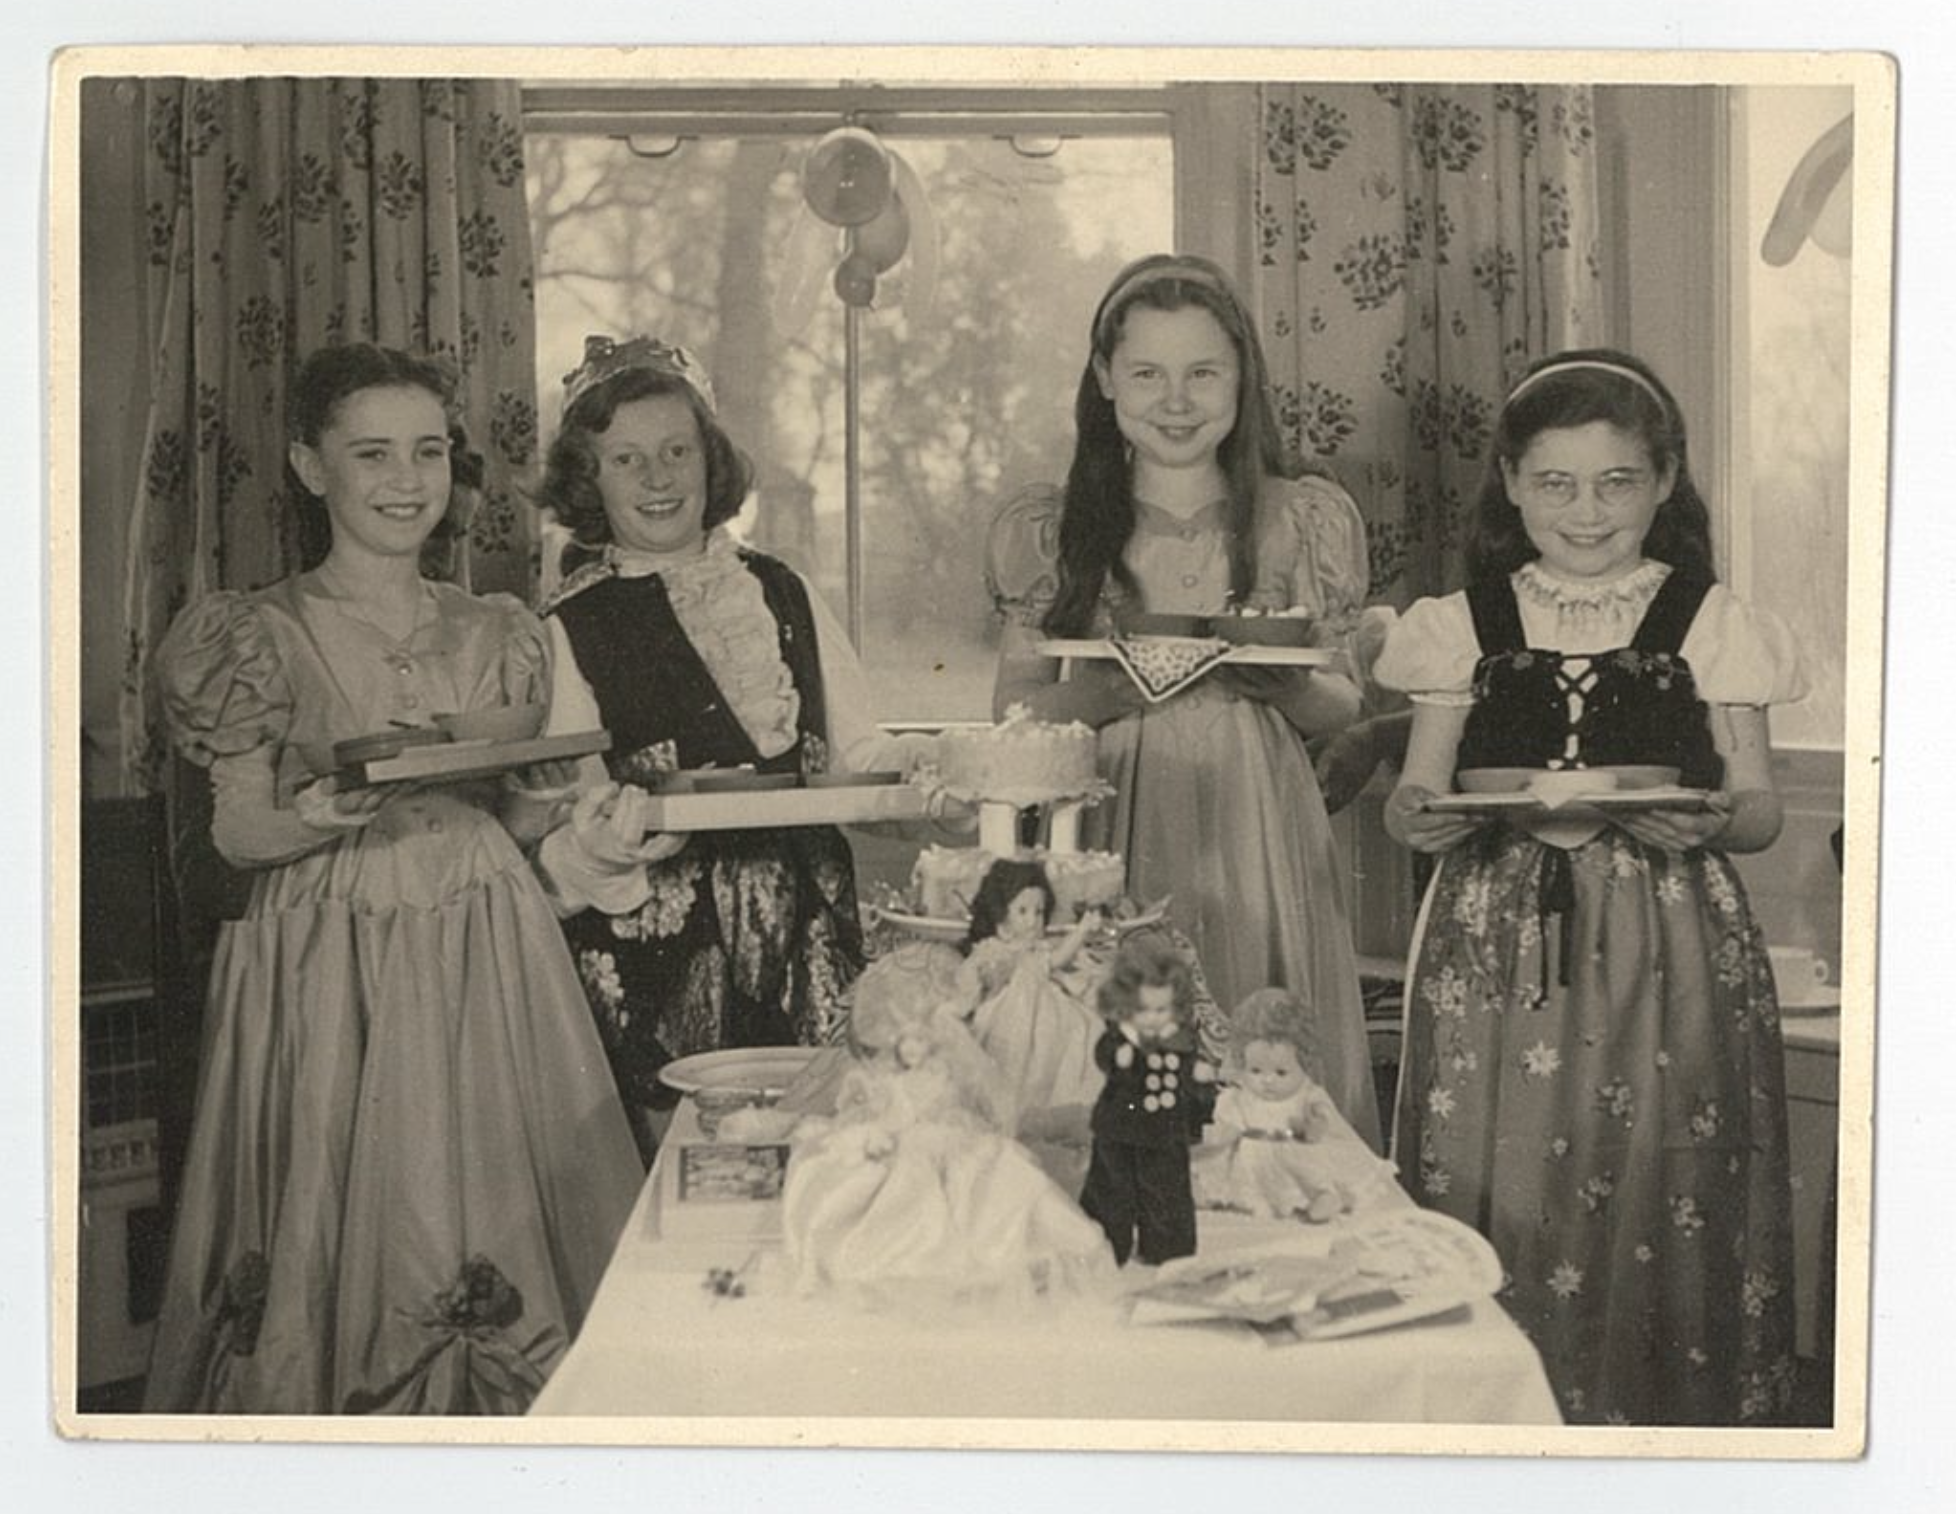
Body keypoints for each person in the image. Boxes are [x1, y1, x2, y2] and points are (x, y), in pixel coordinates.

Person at [141, 344, 643, 1415]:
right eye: (371, 453)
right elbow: (235, 833)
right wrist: (309, 818)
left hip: (481, 938)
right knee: (332, 1201)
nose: (405, 480)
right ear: (310, 467)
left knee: (487, 1198)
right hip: (324, 946)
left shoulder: (498, 628)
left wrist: (556, 799)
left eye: (426, 451)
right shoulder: (253, 633)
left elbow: (505, 816)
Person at [1374, 349, 1807, 1426]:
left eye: (1616, 481)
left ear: (1664, 481)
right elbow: (1415, 797)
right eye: (1556, 482)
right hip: (1494, 935)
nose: (1586, 509)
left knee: (1662, 1162)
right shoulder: (1460, 623)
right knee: (1502, 1169)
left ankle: (1654, 1417)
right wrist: (1419, 815)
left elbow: (1757, 810)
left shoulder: (1712, 620)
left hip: (1668, 935)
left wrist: (1705, 818)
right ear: (1512, 483)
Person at [984, 253, 1380, 1148]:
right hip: (1112, 818)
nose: (1177, 400)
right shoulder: (1057, 531)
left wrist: (1271, 678)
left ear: (1243, 376)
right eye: (1147, 374)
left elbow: (1343, 707)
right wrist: (1114, 685)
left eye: (1203, 373)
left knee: (1260, 1058)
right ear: (1103, 380)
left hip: (1259, 828)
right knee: (1126, 1070)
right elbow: (1016, 714)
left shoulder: (1299, 519)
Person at [526, 334, 942, 1158]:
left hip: (805, 926)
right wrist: (599, 838)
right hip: (657, 944)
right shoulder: (569, 626)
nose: (658, 477)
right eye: (627, 459)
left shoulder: (783, 590)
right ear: (588, 478)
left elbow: (858, 749)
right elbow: (561, 810)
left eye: (678, 450)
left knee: (823, 1150)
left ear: (711, 460)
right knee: (683, 1160)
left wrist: (924, 774)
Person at [1191, 988, 1396, 1223]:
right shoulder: (1241, 1093)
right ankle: (1225, 1196)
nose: (1267, 1080)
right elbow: (1228, 1117)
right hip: (1253, 1156)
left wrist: (1314, 1125)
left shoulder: (1306, 1094)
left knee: (1306, 1166)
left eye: (1281, 1072)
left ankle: (1324, 1195)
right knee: (1223, 1170)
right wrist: (1224, 1130)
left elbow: (1323, 1120)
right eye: (1256, 1070)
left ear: (1303, 1064)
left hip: (1293, 1149)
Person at [1080, 940, 1213, 1266]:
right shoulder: (1121, 1036)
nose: (1152, 1019)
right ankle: (1109, 1244)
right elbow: (1104, 1053)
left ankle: (1167, 1247)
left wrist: (1197, 1075)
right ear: (1126, 1006)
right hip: (1121, 1124)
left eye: (1161, 1010)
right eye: (1143, 1010)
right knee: (1112, 1187)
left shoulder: (1178, 1038)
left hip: (1164, 1127)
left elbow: (1186, 1071)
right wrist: (1119, 1057)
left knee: (1166, 1188)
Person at [956, 858, 1106, 1135]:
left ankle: (1054, 1107)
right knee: (1009, 1055)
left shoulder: (1037, 951)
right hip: (1010, 1016)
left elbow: (1059, 959)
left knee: (1078, 1032)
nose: (1033, 920)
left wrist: (1083, 929)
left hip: (1050, 1012)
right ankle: (1011, 1110)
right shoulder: (996, 951)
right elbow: (973, 978)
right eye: (1022, 911)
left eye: (1038, 912)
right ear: (1002, 919)